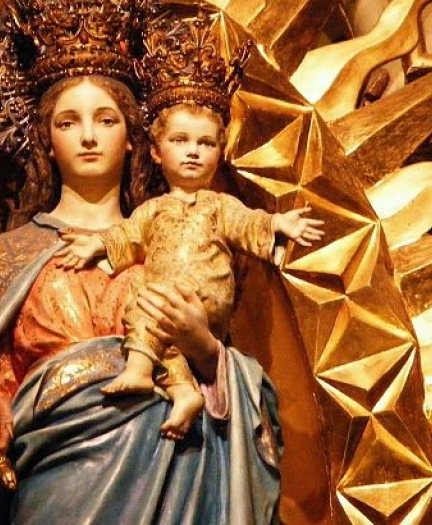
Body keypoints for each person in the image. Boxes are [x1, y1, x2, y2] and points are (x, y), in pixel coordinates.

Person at [0, 73, 284, 524]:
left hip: (173, 467)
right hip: (56, 481)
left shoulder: (174, 242)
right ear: (47, 141)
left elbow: (245, 404)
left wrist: (205, 347)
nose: (88, 136)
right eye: (68, 123)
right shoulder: (8, 255)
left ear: (135, 139)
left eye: (106, 120)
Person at [53, 100, 324, 440]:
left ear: (219, 154)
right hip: (164, 300)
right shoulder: (152, 210)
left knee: (145, 305)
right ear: (156, 152)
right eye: (180, 140)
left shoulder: (219, 205)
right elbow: (126, 236)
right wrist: (96, 243)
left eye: (206, 143)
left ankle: (139, 369)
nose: (193, 152)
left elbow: (249, 223)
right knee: (150, 317)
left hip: (206, 297)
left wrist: (278, 223)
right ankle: (183, 392)